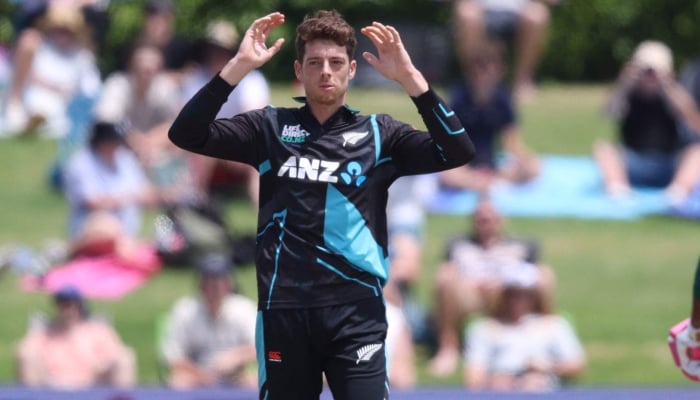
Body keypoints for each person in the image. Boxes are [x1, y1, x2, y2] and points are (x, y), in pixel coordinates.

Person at [169, 10, 475, 399]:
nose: (325, 72)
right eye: (314, 63)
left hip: (355, 313)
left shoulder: (380, 135)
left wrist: (412, 81)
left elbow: (458, 150)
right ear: (300, 70)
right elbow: (185, 133)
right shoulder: (269, 128)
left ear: (350, 69)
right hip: (284, 312)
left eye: (334, 63)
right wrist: (238, 66)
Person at [428, 197, 555, 377]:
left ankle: (548, 338)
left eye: (490, 218)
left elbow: (532, 271)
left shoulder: (520, 245)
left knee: (545, 275)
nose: (485, 223)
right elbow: (448, 270)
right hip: (470, 292)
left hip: (508, 292)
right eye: (481, 219)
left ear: (502, 220)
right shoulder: (459, 245)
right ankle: (448, 348)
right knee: (445, 278)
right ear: (473, 220)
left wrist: (502, 281)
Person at [594, 40, 700, 204]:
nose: (650, 76)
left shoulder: (673, 95)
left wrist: (668, 85)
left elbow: (693, 121)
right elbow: (608, 112)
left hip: (669, 161)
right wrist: (624, 82)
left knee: (696, 152)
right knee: (604, 149)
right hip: (634, 160)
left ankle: (678, 191)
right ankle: (618, 188)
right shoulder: (628, 94)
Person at [181, 19, 271, 207]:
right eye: (212, 50)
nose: (215, 56)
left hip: (241, 144)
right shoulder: (196, 79)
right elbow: (185, 122)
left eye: (221, 51)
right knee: (200, 149)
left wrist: (234, 146)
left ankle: (265, 216)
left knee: (260, 157)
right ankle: (197, 206)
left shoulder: (251, 80)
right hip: (207, 145)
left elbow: (254, 121)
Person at [463, 261, 586, 391]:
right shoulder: (482, 329)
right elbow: (473, 378)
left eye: (525, 294)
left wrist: (547, 368)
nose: (518, 300)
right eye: (512, 294)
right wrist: (500, 381)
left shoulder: (555, 325)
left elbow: (577, 366)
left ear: (535, 295)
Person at [439, 39, 539, 193]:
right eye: (480, 65)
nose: (485, 71)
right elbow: (448, 141)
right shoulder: (459, 99)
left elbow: (511, 142)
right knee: (448, 176)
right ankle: (483, 183)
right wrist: (467, 172)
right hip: (463, 162)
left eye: (491, 64)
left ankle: (485, 183)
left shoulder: (503, 99)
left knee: (534, 167)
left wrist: (525, 159)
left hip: (493, 163)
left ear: (501, 69)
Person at [2, 3, 101, 138]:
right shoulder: (38, 46)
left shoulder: (82, 56)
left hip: (60, 108)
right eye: (59, 29)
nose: (62, 34)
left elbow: (88, 89)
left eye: (66, 31)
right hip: (30, 98)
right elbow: (20, 72)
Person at [160, 253, 257, 389]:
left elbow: (259, 347)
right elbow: (172, 356)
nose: (215, 286)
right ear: (200, 284)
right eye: (210, 280)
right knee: (178, 383)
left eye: (220, 280)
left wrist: (235, 357)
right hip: (196, 376)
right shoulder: (184, 311)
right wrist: (202, 375)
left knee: (257, 383)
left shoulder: (244, 309)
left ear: (229, 284)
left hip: (236, 377)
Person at [15, 285, 136, 389]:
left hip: (93, 384)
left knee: (125, 357)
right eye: (63, 305)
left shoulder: (98, 330)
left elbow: (115, 355)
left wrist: (98, 366)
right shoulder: (44, 332)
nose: (68, 310)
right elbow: (26, 350)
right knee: (26, 355)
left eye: (72, 305)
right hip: (50, 386)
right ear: (57, 307)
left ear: (81, 306)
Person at [62, 121, 157, 242]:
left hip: (126, 236)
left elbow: (145, 193)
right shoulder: (81, 164)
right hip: (90, 236)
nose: (117, 146)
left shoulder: (125, 159)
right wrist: (130, 197)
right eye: (112, 142)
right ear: (100, 142)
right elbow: (92, 202)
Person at [452, 0, 560, 102]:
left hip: (519, 11)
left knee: (537, 16)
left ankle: (522, 82)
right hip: (479, 10)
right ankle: (473, 83)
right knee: (466, 13)